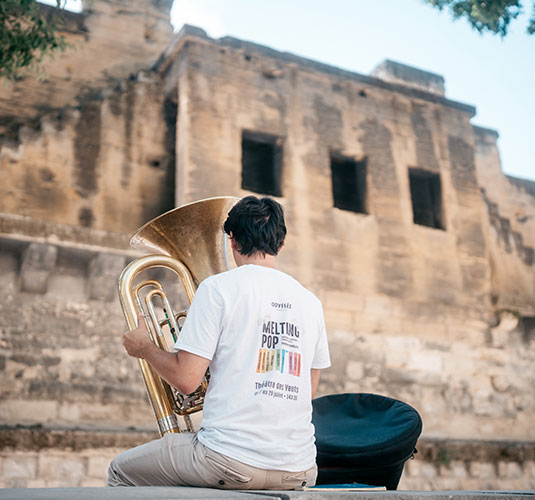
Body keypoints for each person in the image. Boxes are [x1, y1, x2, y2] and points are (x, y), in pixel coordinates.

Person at [108, 195, 331, 490]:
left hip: (227, 462)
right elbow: (308, 390)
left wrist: (145, 348)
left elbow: (187, 381)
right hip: (300, 469)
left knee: (120, 472)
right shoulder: (310, 302)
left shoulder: (218, 289)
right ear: (282, 241)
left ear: (233, 241)